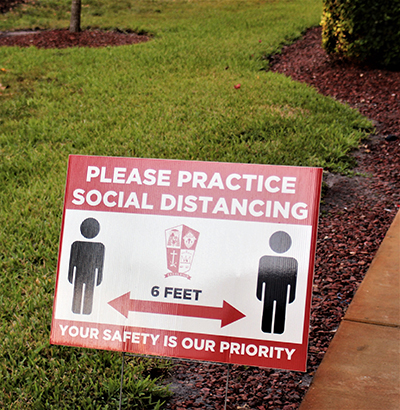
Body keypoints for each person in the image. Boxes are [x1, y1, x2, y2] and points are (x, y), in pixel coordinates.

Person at [256, 231, 297, 334]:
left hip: (273, 293)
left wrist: (259, 294)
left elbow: (292, 282)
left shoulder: (265, 260)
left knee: (278, 311)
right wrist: (291, 297)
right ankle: (269, 329)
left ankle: (276, 330)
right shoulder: (292, 262)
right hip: (276, 293)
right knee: (271, 311)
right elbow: (261, 279)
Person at [68, 217, 105, 314]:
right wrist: (71, 276)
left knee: (88, 294)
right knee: (78, 293)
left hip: (87, 276)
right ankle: (77, 310)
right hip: (83, 276)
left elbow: (99, 265)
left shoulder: (99, 247)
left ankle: (86, 311)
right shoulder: (76, 245)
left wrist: (99, 279)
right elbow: (72, 263)